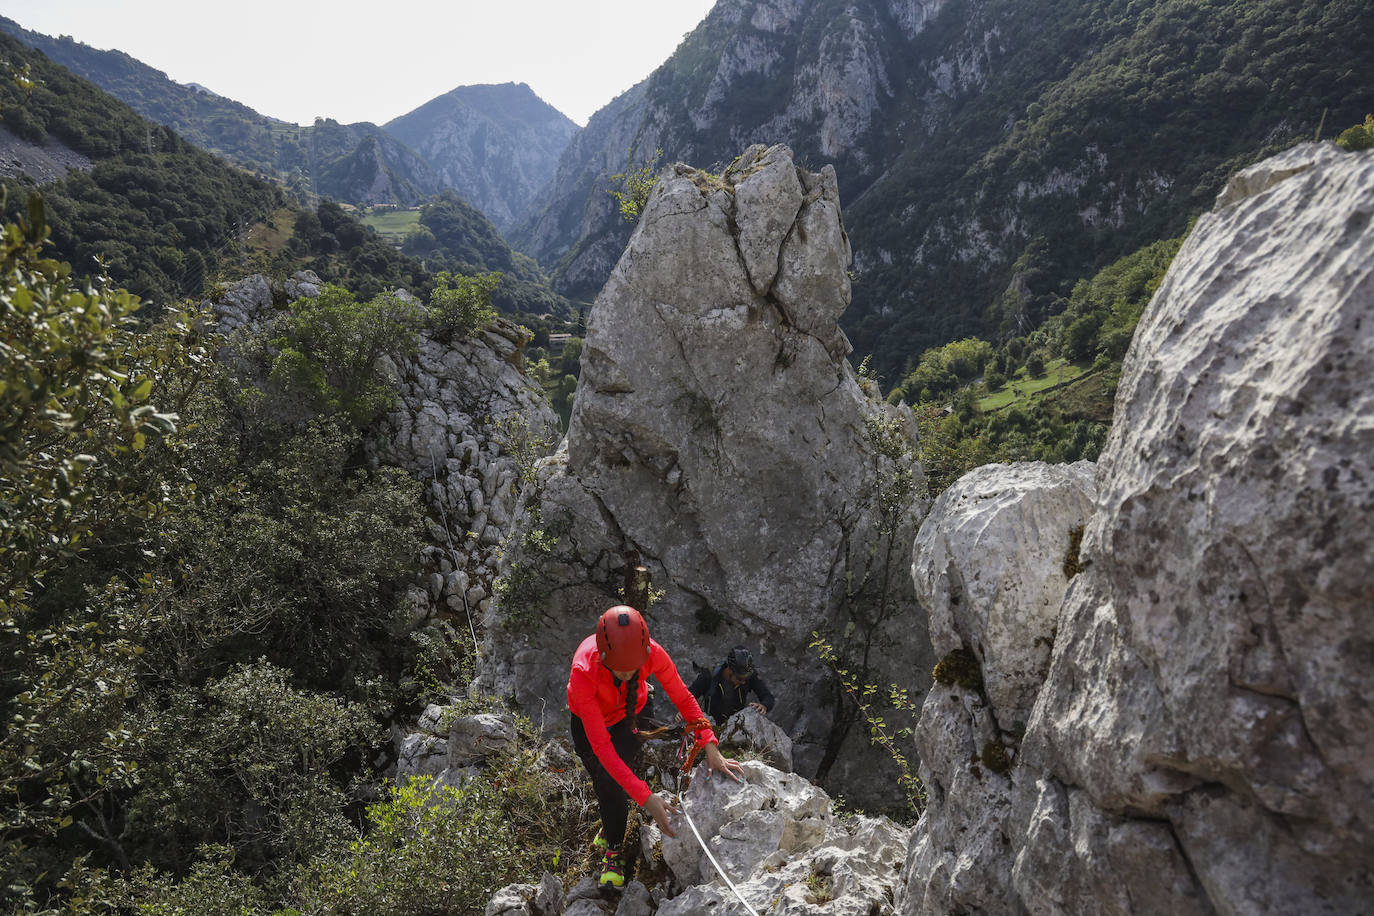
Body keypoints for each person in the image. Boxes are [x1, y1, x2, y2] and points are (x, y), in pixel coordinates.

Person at [568, 605, 744, 888]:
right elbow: (601, 747)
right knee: (604, 780)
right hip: (589, 725)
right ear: (603, 658)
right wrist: (646, 797)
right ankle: (612, 820)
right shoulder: (583, 672)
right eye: (619, 671)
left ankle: (613, 847)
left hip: (631, 713)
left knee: (614, 784)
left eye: (632, 670)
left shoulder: (652, 652)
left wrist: (709, 741)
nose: (626, 676)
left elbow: (683, 697)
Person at [690, 646, 776, 728]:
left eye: (746, 679)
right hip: (710, 727)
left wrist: (764, 706)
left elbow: (768, 696)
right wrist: (684, 710)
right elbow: (689, 695)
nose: (743, 682)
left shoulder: (749, 675)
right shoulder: (709, 676)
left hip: (736, 727)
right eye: (740, 678)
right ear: (729, 669)